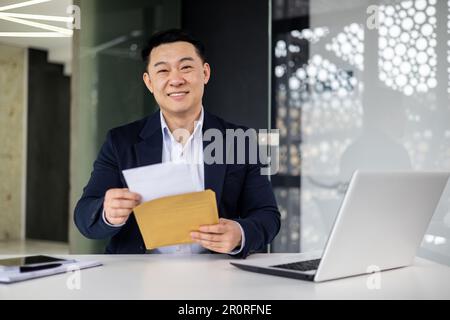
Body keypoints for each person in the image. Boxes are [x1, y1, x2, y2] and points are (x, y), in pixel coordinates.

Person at [74, 29, 280, 258]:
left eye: (186, 67)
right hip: (138, 280)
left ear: (205, 73)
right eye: (162, 70)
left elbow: (267, 215)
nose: (175, 79)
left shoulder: (239, 140)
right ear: (149, 82)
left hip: (217, 277)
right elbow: (84, 216)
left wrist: (240, 233)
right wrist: (107, 212)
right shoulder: (121, 142)